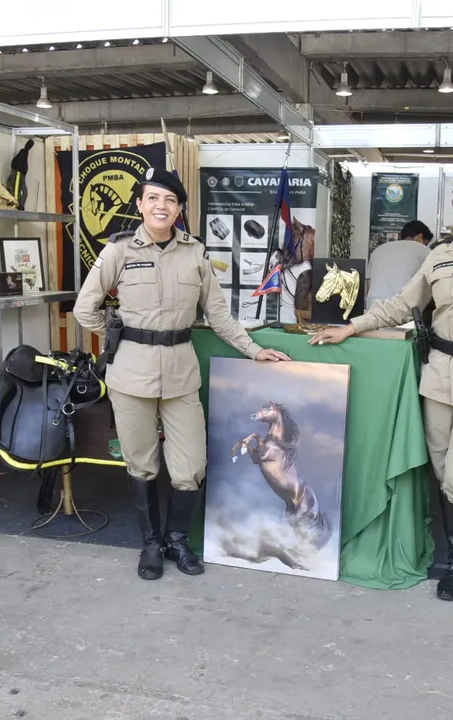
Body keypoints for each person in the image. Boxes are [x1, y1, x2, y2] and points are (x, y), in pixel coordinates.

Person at [308, 168, 453, 607]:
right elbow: (402, 303)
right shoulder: (438, 256)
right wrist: (352, 327)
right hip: (439, 377)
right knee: (443, 476)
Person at [73, 168, 290, 582]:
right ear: (139, 204)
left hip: (180, 373)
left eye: (169, 200)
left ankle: (177, 540)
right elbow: (86, 309)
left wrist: (255, 349)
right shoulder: (117, 252)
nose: (161, 206)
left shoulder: (195, 254)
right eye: (153, 198)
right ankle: (151, 543)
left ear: (179, 209)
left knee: (190, 465)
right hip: (131, 375)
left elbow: (219, 316)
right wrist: (121, 335)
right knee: (141, 463)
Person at [365, 219, 433, 308]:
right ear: (420, 237)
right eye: (426, 243)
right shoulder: (424, 250)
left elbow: (369, 284)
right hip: (402, 310)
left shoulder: (379, 250)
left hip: (373, 307)